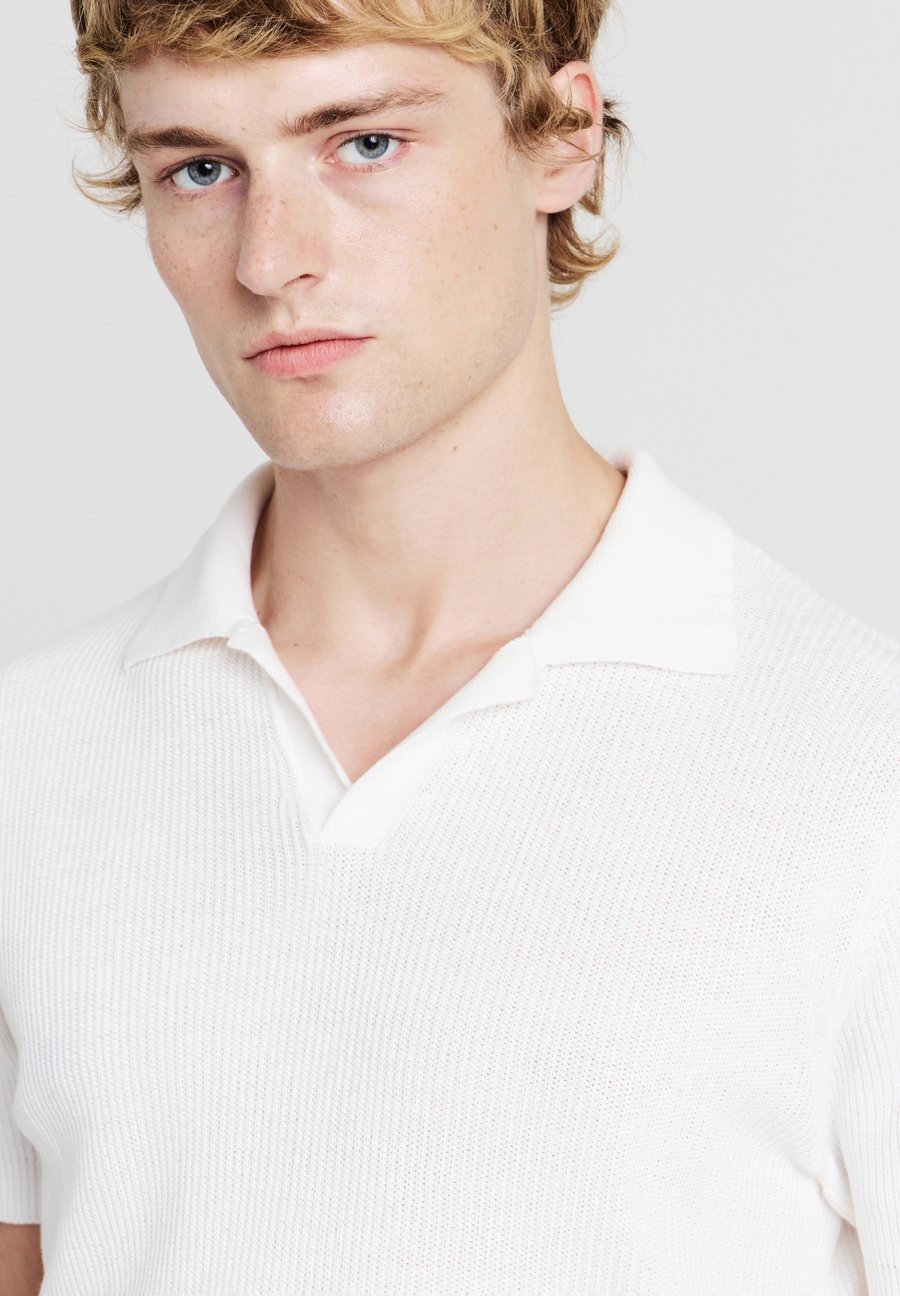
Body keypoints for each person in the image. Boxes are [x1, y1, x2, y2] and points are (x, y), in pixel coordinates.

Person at [1, 0, 898, 1291]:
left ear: (562, 138)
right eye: (200, 169)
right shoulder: (30, 761)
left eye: (363, 143)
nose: (270, 260)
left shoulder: (860, 772)